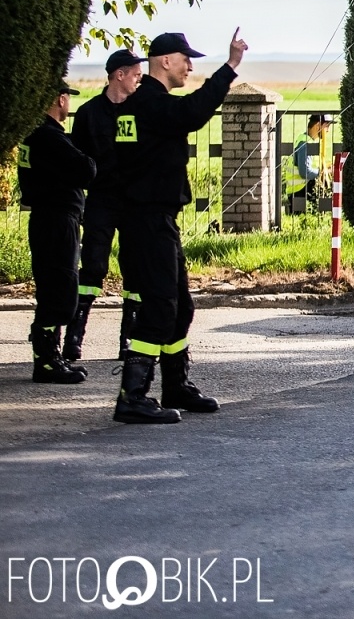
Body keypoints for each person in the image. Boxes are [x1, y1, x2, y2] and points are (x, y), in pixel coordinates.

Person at [112, 29, 247, 424]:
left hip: (155, 219)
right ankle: (132, 396)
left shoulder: (143, 105)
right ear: (165, 61)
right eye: (185, 59)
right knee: (159, 306)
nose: (189, 66)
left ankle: (175, 385)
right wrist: (229, 67)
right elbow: (192, 113)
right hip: (146, 218)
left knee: (179, 305)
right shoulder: (149, 103)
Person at [64, 48, 146, 362]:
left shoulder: (141, 110)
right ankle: (74, 337)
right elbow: (78, 158)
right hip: (101, 200)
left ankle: (129, 339)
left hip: (134, 201)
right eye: (135, 75)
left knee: (134, 267)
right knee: (93, 265)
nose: (139, 80)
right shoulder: (89, 113)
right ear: (119, 75)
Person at [18, 82, 97, 383]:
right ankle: (47, 361)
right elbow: (85, 170)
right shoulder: (49, 136)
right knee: (60, 289)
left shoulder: (34, 135)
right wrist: (87, 153)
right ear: (60, 100)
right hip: (57, 220)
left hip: (48, 218)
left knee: (53, 286)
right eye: (67, 98)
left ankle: (50, 356)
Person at [285, 113, 332, 212]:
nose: (328, 130)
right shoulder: (306, 143)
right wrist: (323, 173)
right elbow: (305, 172)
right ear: (318, 125)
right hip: (299, 192)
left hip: (299, 191)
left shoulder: (307, 140)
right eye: (327, 126)